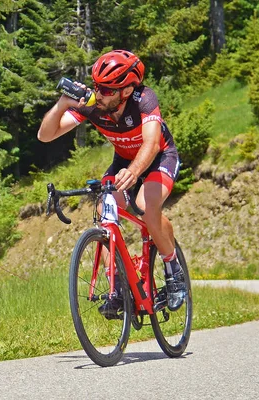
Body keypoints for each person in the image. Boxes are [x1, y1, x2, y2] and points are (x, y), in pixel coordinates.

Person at [37, 49, 187, 312]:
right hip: (123, 162)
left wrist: (136, 170)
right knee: (105, 209)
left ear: (126, 91)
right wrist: (63, 103)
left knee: (146, 207)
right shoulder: (93, 104)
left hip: (159, 157)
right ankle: (117, 287)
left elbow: (151, 143)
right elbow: (45, 136)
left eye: (107, 89)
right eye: (97, 86)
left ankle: (174, 270)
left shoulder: (144, 99)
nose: (99, 93)